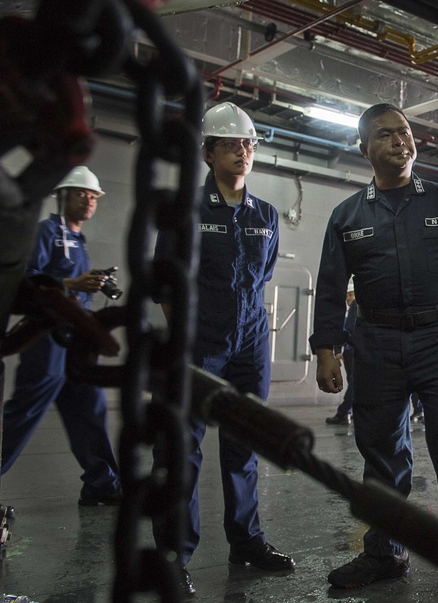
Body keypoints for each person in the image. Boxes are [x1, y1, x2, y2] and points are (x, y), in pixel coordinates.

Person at [311, 103, 438, 589]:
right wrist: (326, 348)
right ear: (364, 148)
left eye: (405, 132)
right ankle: (384, 553)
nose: (400, 141)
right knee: (381, 450)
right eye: (386, 135)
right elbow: (331, 286)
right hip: (375, 342)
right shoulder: (347, 215)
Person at [152, 102, 293, 596]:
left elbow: (263, 276)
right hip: (198, 341)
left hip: (251, 341)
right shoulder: (184, 210)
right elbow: (165, 284)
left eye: (249, 144)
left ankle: (246, 541)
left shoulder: (267, 215)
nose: (243, 151)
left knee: (244, 445)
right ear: (209, 152)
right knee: (182, 448)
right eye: (232, 143)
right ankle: (174, 554)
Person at [1, 167, 122, 507]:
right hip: (47, 340)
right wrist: (70, 284)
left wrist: (91, 282)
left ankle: (103, 483)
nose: (89, 200)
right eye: (82, 193)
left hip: (76, 341)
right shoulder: (45, 233)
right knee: (23, 415)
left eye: (94, 196)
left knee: (91, 410)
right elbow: (27, 283)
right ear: (62, 196)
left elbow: (72, 280)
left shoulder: (78, 241)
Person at [326, 279, 357, 426]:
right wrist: (338, 351)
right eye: (347, 296)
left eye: (351, 295)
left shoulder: (356, 310)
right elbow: (341, 332)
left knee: (355, 384)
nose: (348, 298)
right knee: (353, 382)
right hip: (349, 353)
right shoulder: (347, 313)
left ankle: (344, 413)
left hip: (356, 352)